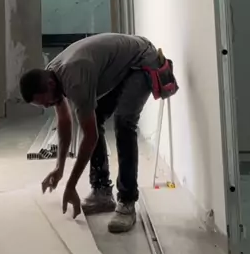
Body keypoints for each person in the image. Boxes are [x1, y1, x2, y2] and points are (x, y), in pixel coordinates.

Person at [19, 32, 165, 234]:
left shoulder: (74, 80)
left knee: (124, 123)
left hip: (141, 60)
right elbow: (64, 123)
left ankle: (127, 201)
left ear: (50, 85)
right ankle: (101, 192)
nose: (46, 106)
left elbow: (90, 137)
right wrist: (59, 168)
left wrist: (71, 185)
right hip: (123, 64)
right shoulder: (52, 75)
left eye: (45, 102)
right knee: (93, 116)